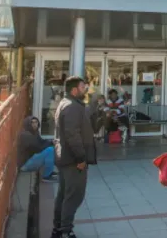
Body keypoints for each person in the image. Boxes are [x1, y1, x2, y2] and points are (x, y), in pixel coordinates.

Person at [51, 76, 97, 238]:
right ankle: (65, 230)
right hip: (72, 161)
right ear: (74, 89)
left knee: (64, 194)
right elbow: (72, 135)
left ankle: (58, 228)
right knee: (73, 196)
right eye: (83, 86)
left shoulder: (68, 104)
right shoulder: (71, 107)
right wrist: (80, 158)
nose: (85, 89)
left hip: (65, 158)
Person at [18, 116, 57, 182]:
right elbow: (38, 148)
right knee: (50, 150)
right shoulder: (26, 135)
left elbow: (41, 141)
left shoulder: (35, 132)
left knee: (50, 148)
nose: (34, 124)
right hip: (25, 165)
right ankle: (46, 177)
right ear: (28, 124)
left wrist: (51, 141)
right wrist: (50, 143)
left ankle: (49, 171)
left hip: (32, 160)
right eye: (32, 122)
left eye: (36, 122)